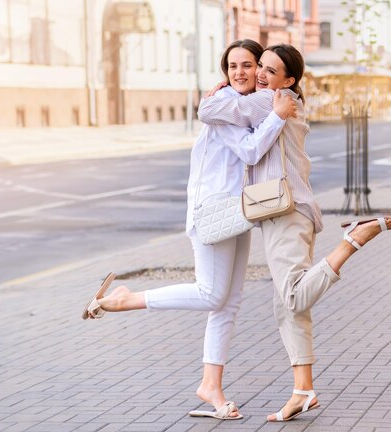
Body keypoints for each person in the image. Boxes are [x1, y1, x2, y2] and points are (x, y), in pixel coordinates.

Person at [81, 39, 296, 420]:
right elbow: (248, 151)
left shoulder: (245, 102)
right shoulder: (225, 107)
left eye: (249, 64)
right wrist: (277, 116)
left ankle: (210, 386)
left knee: (229, 303)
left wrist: (274, 109)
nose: (242, 72)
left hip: (237, 212)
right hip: (212, 212)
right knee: (211, 295)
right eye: (233, 66)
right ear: (225, 71)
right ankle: (126, 300)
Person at [198, 43, 391, 422]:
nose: (259, 75)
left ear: (287, 80)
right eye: (261, 67)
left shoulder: (268, 100)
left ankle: (355, 238)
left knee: (291, 296)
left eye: (269, 71)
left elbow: (206, 111)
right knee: (288, 308)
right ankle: (303, 392)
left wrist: (221, 89)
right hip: (292, 209)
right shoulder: (281, 99)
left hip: (284, 212)